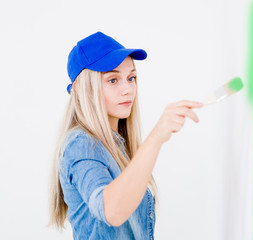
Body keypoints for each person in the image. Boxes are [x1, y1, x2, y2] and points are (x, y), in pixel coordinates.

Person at [49, 31, 203, 240]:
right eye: (113, 80)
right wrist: (157, 136)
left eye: (131, 78)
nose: (127, 89)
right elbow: (111, 211)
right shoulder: (81, 143)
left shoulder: (117, 145)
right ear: (82, 88)